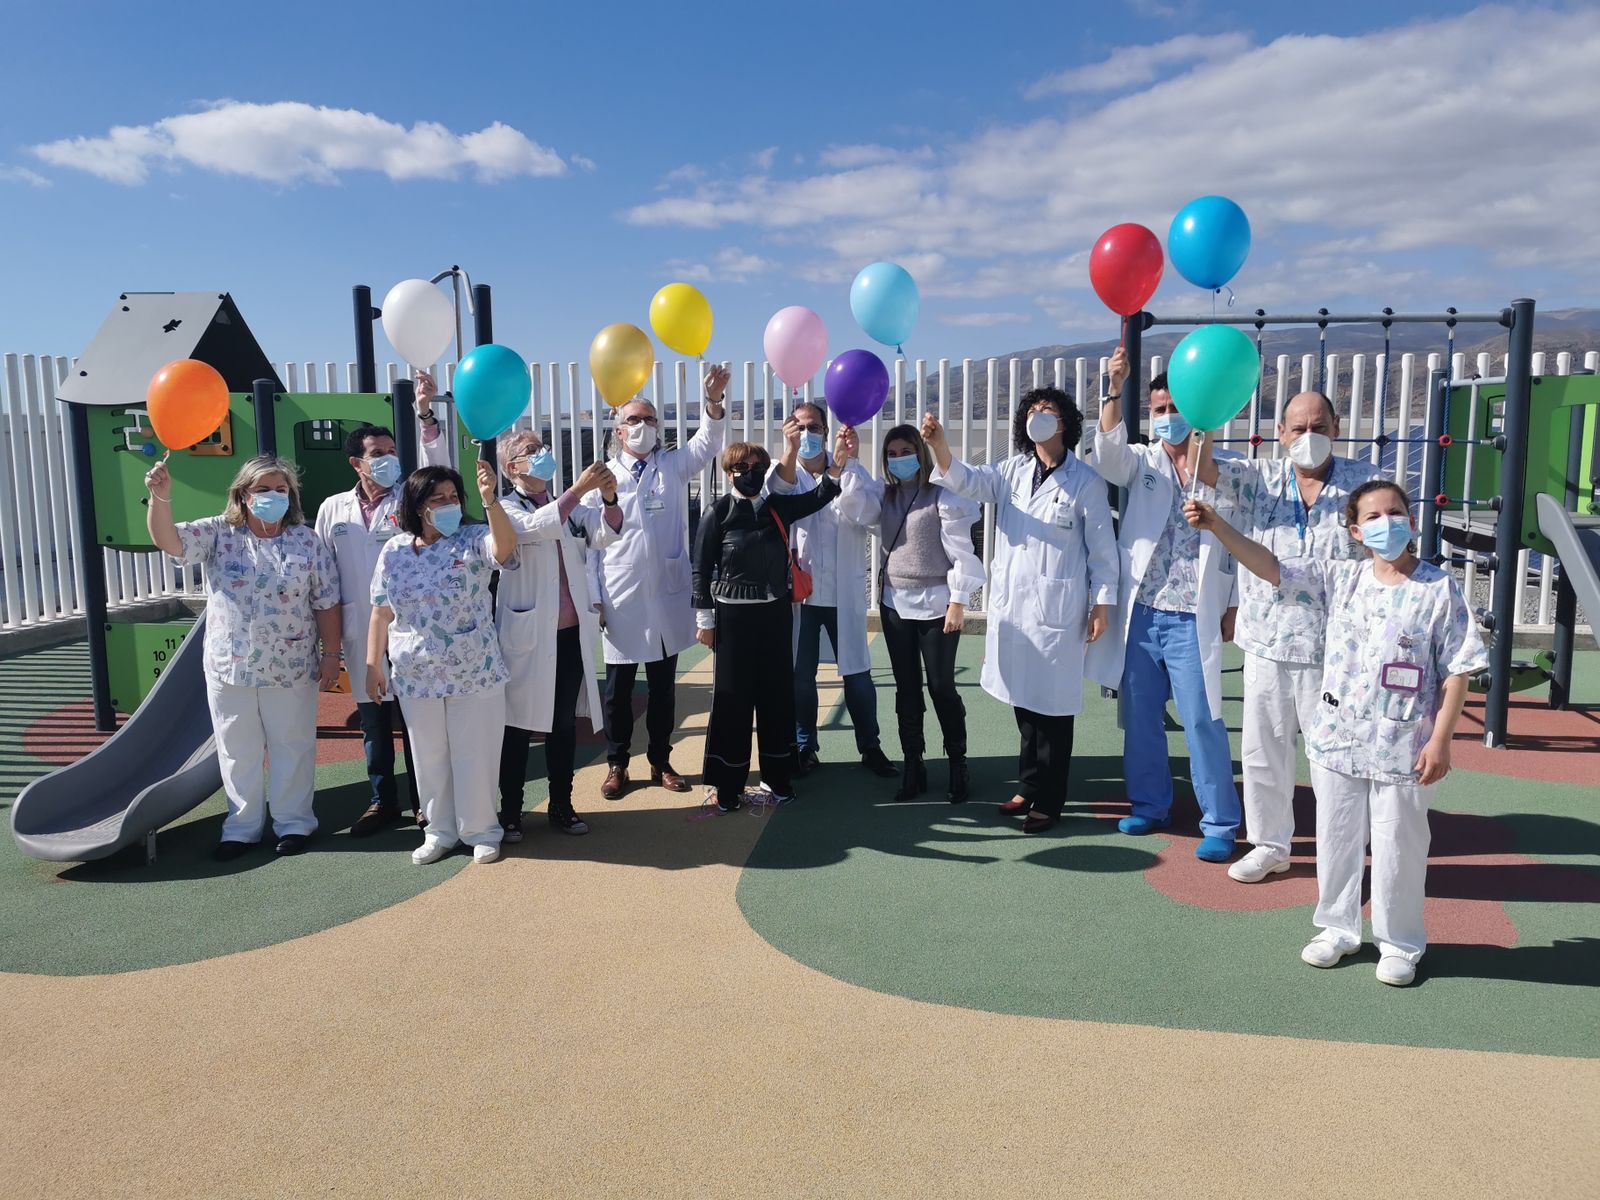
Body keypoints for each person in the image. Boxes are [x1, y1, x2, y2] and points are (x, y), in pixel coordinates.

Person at [1184, 480, 1486, 986]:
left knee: (1398, 846)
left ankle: (1399, 943)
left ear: (1411, 521)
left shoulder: (1437, 588)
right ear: (1355, 530)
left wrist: (1441, 740)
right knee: (1337, 837)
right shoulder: (1340, 578)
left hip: (1404, 745)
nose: (1386, 522)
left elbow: (1458, 668)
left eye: (1396, 512)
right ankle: (1337, 929)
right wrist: (1217, 526)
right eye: (1373, 516)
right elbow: (1273, 567)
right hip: (1339, 741)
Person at [925, 391, 1117, 832]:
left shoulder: (1085, 482)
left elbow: (1103, 553)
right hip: (1015, 609)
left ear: (1065, 422)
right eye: (1031, 412)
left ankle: (1050, 800)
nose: (1037, 418)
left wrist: (1101, 605)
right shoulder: (1012, 471)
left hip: (1058, 609)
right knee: (1025, 704)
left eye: (1046, 411)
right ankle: (1029, 784)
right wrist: (939, 446)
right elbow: (969, 481)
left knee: (1052, 710)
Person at [1087, 349, 1244, 862]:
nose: (1166, 416)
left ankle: (1220, 820)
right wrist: (1114, 387)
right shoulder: (1144, 462)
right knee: (1141, 715)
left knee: (1202, 718)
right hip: (1144, 613)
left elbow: (1243, 540)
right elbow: (1107, 454)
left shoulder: (1224, 470)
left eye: (1174, 406)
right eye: (1158, 409)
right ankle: (1151, 803)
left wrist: (1233, 605)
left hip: (1192, 616)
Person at [145, 455, 340, 860]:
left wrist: (331, 653)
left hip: (291, 664)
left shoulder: (307, 541)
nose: (273, 496)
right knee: (237, 748)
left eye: (281, 489)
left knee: (293, 744)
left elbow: (326, 601)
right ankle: (242, 827)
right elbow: (169, 541)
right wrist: (160, 499)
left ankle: (294, 823)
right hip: (229, 665)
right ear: (243, 494)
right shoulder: (219, 533)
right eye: (264, 489)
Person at [1226, 391, 1384, 884]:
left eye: (1318, 426)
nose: (1308, 436)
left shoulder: (1366, 484)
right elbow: (1199, 469)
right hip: (1267, 640)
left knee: (1335, 757)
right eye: (1298, 428)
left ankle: (1343, 854)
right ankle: (1270, 845)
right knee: (1263, 750)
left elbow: (1387, 555)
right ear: (1281, 433)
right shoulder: (1260, 478)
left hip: (1337, 647)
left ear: (1336, 426)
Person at [314, 371, 452, 836]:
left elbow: (439, 463)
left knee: (416, 721)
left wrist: (426, 413)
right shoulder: (332, 509)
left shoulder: (412, 501)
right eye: (378, 455)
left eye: (392, 452)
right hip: (360, 631)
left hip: (410, 628)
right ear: (357, 462)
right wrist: (328, 645)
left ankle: (424, 802)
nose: (388, 460)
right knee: (373, 725)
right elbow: (324, 577)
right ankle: (381, 801)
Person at [586, 366, 730, 800]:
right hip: (621, 598)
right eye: (634, 420)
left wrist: (713, 402)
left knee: (664, 689)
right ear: (618, 428)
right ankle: (616, 764)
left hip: (665, 595)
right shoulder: (601, 478)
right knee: (618, 692)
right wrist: (595, 599)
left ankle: (661, 761)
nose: (643, 427)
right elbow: (591, 546)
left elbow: (707, 444)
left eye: (649, 420)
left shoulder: (671, 465)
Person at [367, 461, 517, 865]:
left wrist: (490, 502)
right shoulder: (394, 551)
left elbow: (504, 549)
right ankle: (439, 831)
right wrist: (372, 664)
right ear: (418, 507)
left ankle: (482, 829)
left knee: (476, 753)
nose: (449, 505)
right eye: (438, 500)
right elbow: (381, 610)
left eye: (454, 497)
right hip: (416, 675)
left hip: (474, 671)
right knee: (428, 756)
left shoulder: (472, 538)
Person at [692, 436, 849, 811]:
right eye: (741, 468)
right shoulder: (717, 513)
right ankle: (728, 787)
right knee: (733, 700)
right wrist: (705, 619)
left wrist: (838, 464)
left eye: (757, 467)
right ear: (729, 473)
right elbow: (700, 568)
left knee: (777, 698)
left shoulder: (777, 507)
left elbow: (819, 497)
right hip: (732, 618)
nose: (751, 474)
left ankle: (778, 780)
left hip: (775, 615)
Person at [495, 429, 624, 841]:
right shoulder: (505, 508)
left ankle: (561, 805)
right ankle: (511, 811)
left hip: (568, 634)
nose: (541, 455)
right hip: (527, 635)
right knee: (516, 725)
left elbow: (604, 533)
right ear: (510, 467)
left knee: (563, 725)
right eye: (529, 451)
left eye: (541, 448)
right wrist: (579, 488)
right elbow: (535, 528)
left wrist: (607, 497)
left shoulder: (564, 506)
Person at [849, 422, 985, 803]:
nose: (899, 459)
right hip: (895, 604)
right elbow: (856, 502)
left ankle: (957, 762)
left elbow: (962, 550)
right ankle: (914, 763)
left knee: (941, 685)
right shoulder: (885, 495)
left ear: (919, 453)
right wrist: (851, 457)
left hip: (937, 603)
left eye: (905, 451)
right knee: (906, 688)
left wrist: (958, 600)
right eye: (891, 454)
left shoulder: (942, 495)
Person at [766, 402, 897, 781]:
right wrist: (791, 453)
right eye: (800, 426)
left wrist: (845, 467)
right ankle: (805, 747)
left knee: (857, 674)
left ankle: (870, 747)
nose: (808, 434)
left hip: (844, 594)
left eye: (815, 427)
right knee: (800, 678)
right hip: (801, 599)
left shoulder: (854, 469)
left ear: (827, 431)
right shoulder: (783, 472)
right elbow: (776, 499)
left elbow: (871, 514)